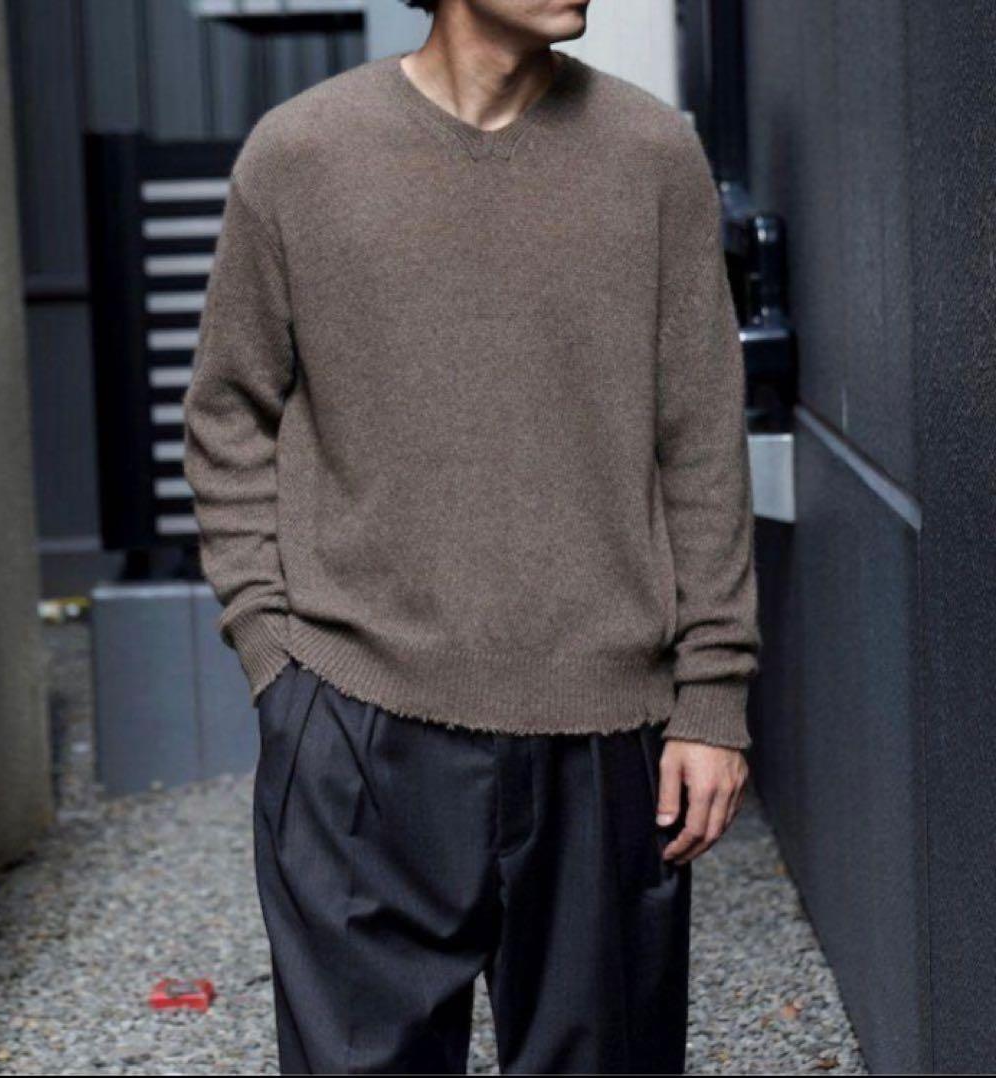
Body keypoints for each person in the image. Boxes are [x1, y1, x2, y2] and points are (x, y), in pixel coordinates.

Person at [182, 0, 761, 1072]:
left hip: (604, 730)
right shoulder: (302, 154)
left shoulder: (651, 155)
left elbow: (702, 441)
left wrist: (713, 695)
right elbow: (228, 412)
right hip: (357, 716)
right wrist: (274, 656)